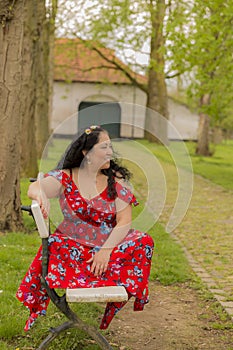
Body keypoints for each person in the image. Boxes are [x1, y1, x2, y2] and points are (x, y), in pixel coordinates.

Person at [16, 125, 154, 331]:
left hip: (108, 244)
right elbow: (35, 186)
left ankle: (98, 270)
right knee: (57, 243)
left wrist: (105, 251)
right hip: (75, 245)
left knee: (144, 241)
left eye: (110, 147)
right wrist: (41, 194)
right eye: (104, 147)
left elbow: (124, 221)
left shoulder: (114, 179)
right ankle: (94, 274)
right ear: (86, 153)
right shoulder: (67, 177)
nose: (110, 152)